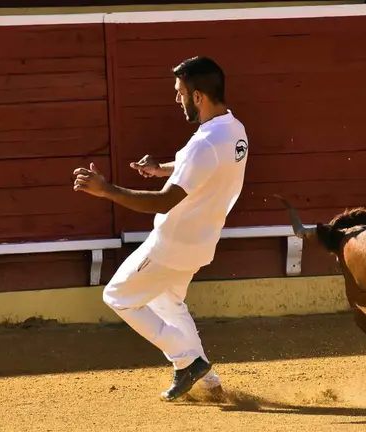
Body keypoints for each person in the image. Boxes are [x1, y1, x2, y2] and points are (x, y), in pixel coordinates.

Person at [72, 56, 249, 401]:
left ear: (197, 96)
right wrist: (162, 169)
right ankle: (209, 383)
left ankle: (188, 362)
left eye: (180, 92)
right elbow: (202, 169)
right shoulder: (234, 129)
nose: (177, 99)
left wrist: (106, 190)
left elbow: (164, 202)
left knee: (117, 296)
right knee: (168, 303)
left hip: (171, 244)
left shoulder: (204, 143)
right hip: (200, 243)